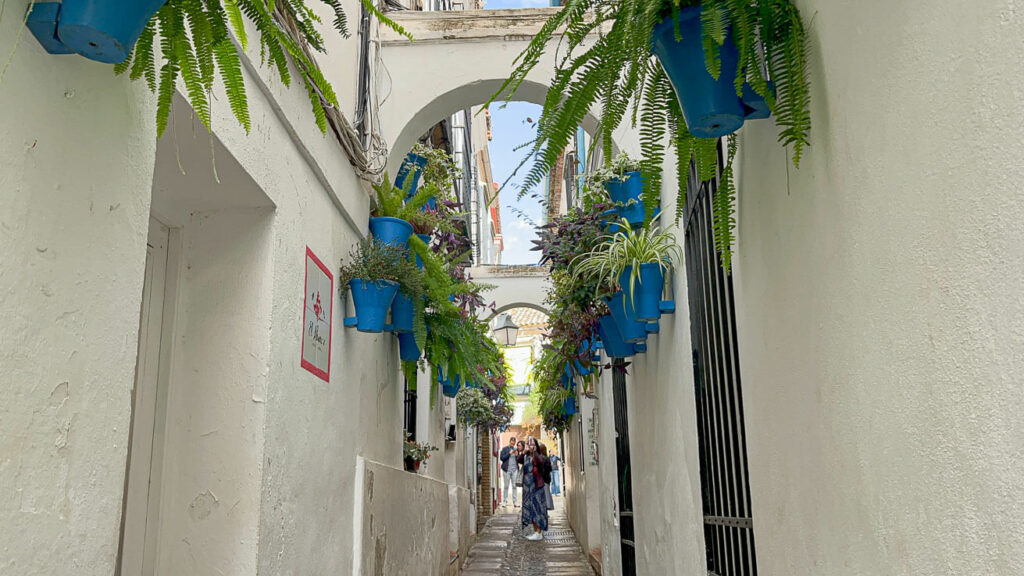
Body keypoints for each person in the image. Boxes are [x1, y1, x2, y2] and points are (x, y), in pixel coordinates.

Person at [519, 437, 550, 540]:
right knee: (530, 509)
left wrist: (535, 451)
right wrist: (524, 451)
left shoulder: (539, 456)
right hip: (527, 488)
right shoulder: (526, 457)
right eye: (529, 444)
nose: (530, 446)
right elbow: (518, 460)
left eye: (532, 444)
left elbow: (540, 462)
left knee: (538, 509)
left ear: (536, 446)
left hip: (537, 486)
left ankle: (539, 531)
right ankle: (536, 531)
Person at [499, 436, 520, 507]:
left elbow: (519, 460)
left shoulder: (516, 449)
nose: (512, 444)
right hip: (506, 470)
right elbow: (502, 458)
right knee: (506, 486)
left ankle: (515, 501)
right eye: (511, 442)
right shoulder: (505, 449)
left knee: (514, 486)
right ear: (509, 442)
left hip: (514, 470)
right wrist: (509, 454)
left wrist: (517, 456)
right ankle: (505, 501)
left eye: (513, 443)